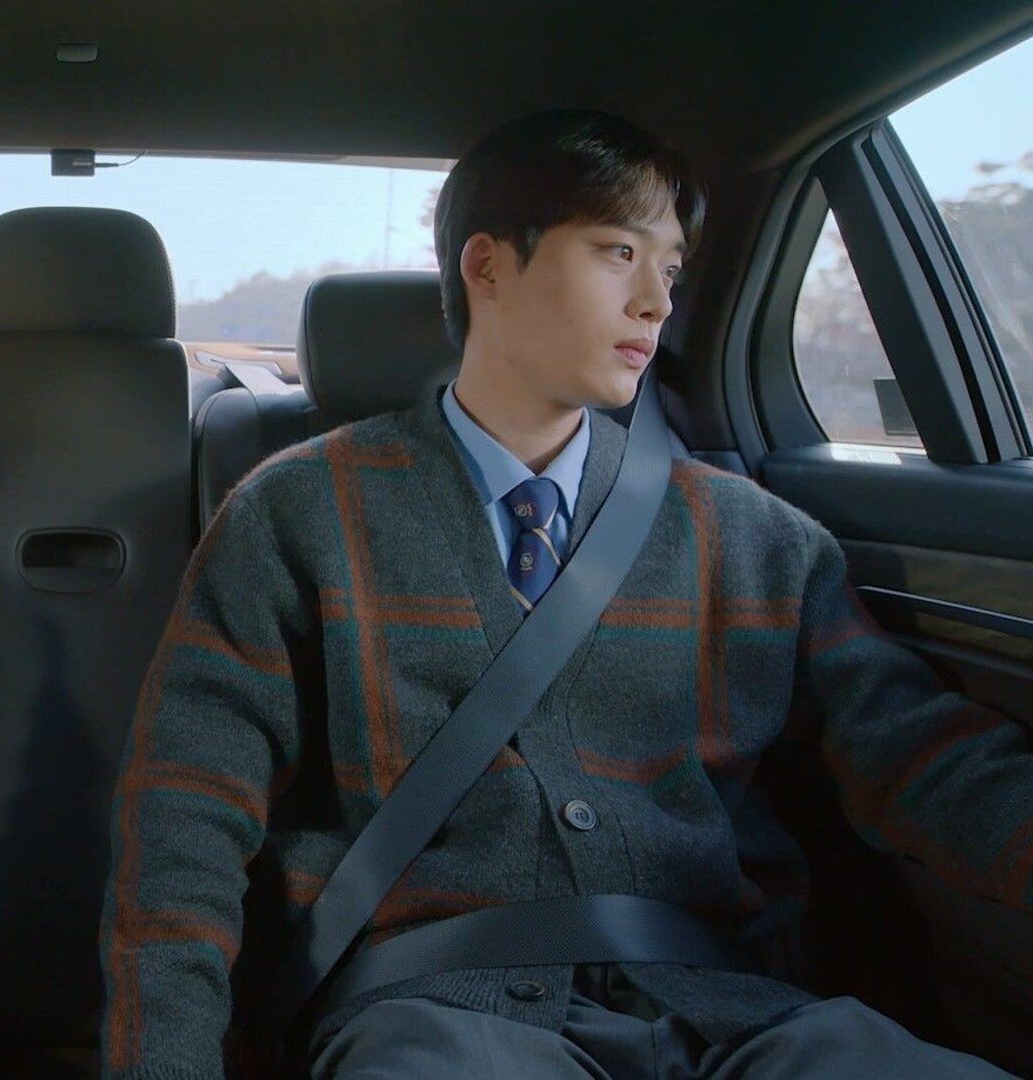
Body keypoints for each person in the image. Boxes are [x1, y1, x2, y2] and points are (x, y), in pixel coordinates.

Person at [100, 110, 1029, 1077]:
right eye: (618, 251)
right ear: (489, 266)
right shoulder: (297, 516)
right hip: (435, 1018)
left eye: (670, 269)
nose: (655, 303)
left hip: (732, 1011)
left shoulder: (757, 540)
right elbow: (184, 823)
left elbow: (924, 760)